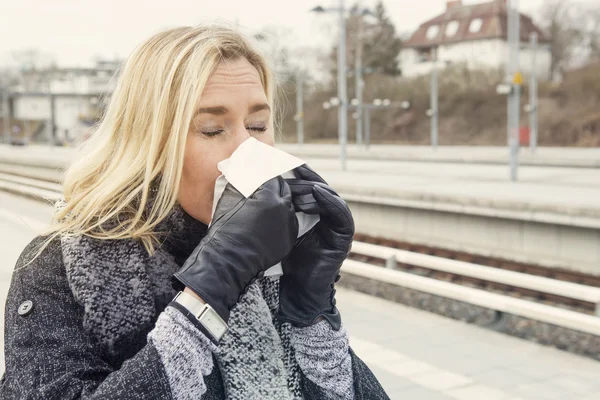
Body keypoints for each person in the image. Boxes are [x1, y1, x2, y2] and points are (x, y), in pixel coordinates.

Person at [0, 25, 389, 399]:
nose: (247, 149)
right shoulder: (60, 264)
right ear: (150, 144)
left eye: (258, 125)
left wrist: (313, 314)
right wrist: (207, 294)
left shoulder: (275, 260)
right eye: (212, 129)